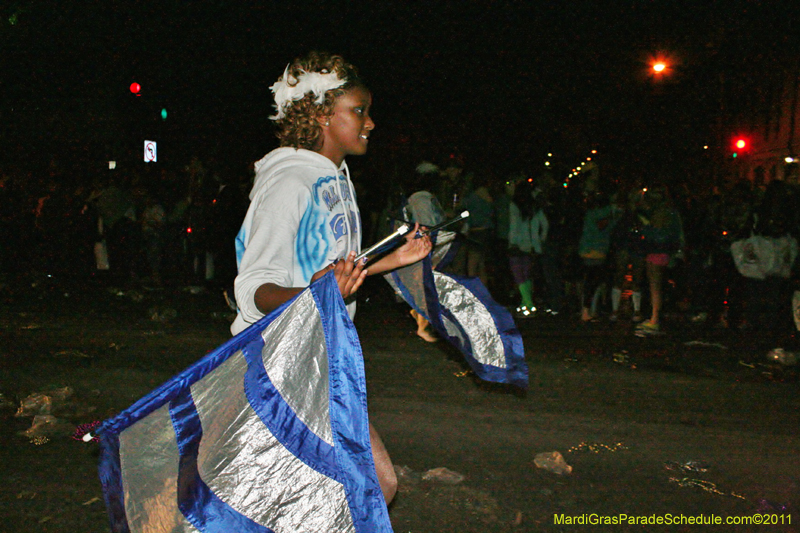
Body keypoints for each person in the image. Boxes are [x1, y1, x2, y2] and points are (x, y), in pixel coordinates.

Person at [231, 52, 431, 506]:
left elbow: (332, 271)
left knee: (345, 491)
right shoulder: (289, 183)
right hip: (278, 362)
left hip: (321, 356)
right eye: (359, 111)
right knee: (373, 485)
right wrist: (319, 292)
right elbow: (255, 288)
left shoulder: (336, 177)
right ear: (322, 116)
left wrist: (392, 258)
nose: (371, 123)